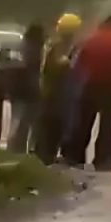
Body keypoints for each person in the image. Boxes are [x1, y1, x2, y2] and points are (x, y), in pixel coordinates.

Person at [69, 15, 111, 171]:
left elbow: (79, 65)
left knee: (84, 122)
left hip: (90, 86)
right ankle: (103, 160)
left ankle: (76, 156)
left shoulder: (91, 40)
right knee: (107, 125)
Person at [37, 13, 82, 164]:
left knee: (57, 128)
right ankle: (44, 159)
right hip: (52, 94)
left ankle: (49, 157)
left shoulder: (60, 45)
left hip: (58, 95)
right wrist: (66, 63)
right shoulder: (55, 46)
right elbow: (51, 67)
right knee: (50, 128)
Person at [7, 22, 46, 154]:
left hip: (18, 91)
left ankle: (15, 150)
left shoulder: (21, 47)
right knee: (27, 125)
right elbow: (34, 69)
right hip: (29, 91)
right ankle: (21, 151)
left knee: (18, 124)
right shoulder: (34, 49)